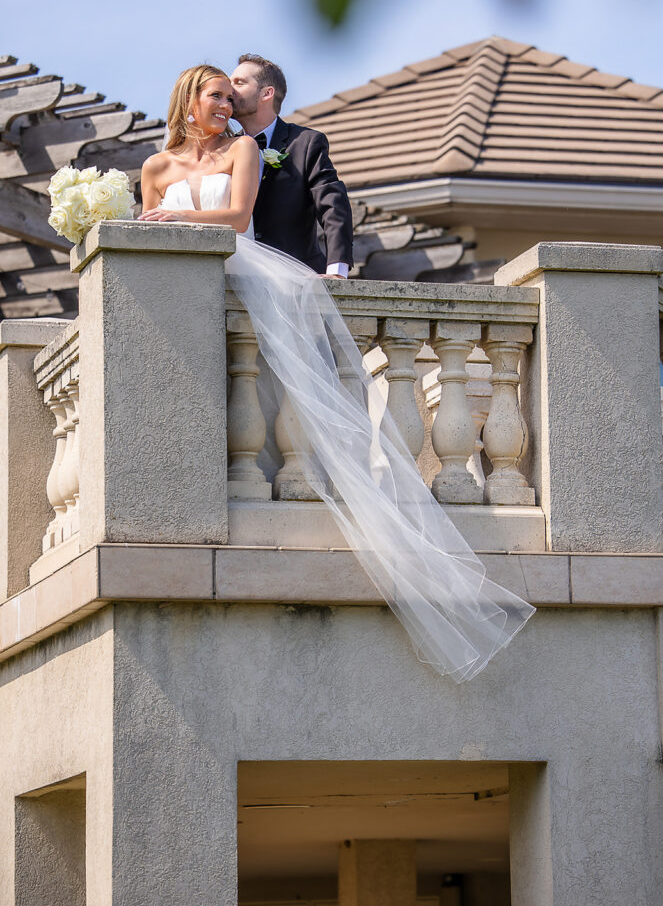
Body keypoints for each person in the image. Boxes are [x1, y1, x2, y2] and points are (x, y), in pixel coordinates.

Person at [139, 64, 535, 682]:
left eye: (233, 90)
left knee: (301, 398)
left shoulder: (270, 146)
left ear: (263, 94)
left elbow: (289, 210)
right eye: (215, 93)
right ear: (186, 101)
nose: (226, 100)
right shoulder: (157, 168)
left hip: (266, 278)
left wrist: (336, 265)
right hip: (200, 296)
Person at [229, 54, 353, 278]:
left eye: (239, 82)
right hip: (239, 278)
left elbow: (333, 206)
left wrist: (337, 271)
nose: (230, 90)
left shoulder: (306, 143)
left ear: (267, 93)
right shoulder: (221, 149)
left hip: (298, 277)